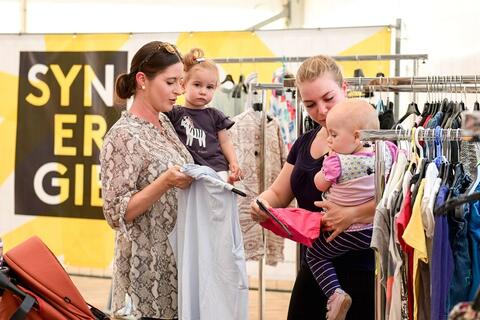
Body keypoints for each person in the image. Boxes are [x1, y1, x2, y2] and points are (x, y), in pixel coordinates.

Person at [250, 55, 376, 320]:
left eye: (328, 98)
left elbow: (394, 203)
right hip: (317, 267)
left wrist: (352, 214)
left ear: (344, 88)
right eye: (310, 104)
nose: (321, 110)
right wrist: (262, 203)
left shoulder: (373, 143)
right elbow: (279, 193)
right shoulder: (303, 144)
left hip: (362, 269)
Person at [100, 41, 194, 319]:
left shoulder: (164, 123)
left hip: (176, 266)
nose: (180, 90)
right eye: (171, 82)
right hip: (146, 277)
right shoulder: (122, 136)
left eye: (181, 81)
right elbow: (115, 213)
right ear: (142, 80)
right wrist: (164, 182)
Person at [306, 100, 386, 320]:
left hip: (346, 231)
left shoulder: (337, 162)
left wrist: (326, 166)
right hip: (373, 231)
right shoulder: (387, 153)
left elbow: (319, 184)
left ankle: (336, 294)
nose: (329, 140)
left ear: (357, 136)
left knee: (314, 255)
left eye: (333, 135)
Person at [165, 48, 242, 183]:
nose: (203, 91)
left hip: (216, 168)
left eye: (209, 87)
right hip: (189, 169)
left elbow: (225, 141)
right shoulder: (175, 113)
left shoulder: (215, 115)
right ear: (183, 85)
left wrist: (233, 161)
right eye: (197, 85)